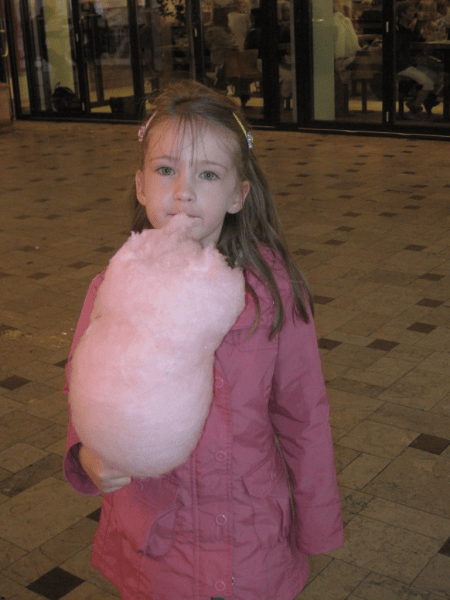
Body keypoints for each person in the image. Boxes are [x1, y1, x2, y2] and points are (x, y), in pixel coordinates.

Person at [63, 80, 344, 600]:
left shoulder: (274, 293)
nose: (183, 190)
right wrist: (85, 451)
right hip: (160, 542)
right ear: (141, 185)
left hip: (249, 534)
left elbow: (304, 413)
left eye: (208, 174)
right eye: (166, 169)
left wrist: (316, 520)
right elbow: (83, 385)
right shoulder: (112, 287)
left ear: (239, 195)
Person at [396, 0, 442, 117]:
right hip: (402, 66)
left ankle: (417, 101)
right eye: (411, 11)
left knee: (435, 76)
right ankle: (414, 108)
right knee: (428, 82)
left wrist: (419, 27)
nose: (414, 13)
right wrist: (418, 23)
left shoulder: (404, 28)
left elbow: (415, 39)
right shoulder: (398, 29)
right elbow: (408, 41)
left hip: (409, 64)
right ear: (403, 14)